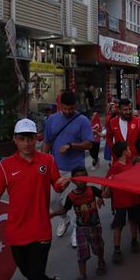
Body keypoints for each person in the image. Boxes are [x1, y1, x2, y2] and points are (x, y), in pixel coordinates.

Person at [0, 118, 69, 280]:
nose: (26, 144)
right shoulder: (5, 166)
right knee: (30, 274)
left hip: (41, 230)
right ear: (15, 139)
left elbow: (56, 182)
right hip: (16, 232)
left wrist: (61, 184)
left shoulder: (47, 161)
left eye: (30, 138)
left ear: (36, 139)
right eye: (22, 138)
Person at [41, 91, 93, 247]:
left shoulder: (83, 120)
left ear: (75, 106)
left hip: (77, 169)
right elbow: (47, 142)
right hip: (57, 169)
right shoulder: (51, 120)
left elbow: (89, 143)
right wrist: (42, 162)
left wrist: (72, 146)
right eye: (65, 108)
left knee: (79, 201)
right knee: (52, 200)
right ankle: (65, 219)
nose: (68, 111)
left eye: (71, 108)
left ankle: (78, 230)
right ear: (60, 106)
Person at [50, 167, 106, 280]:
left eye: (84, 177)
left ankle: (101, 262)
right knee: (81, 253)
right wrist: (52, 214)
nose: (81, 181)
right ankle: (82, 276)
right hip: (81, 229)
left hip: (95, 226)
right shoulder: (71, 196)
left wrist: (108, 185)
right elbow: (65, 209)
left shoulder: (92, 190)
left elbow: (105, 195)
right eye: (78, 178)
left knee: (98, 247)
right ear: (74, 181)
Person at [103, 141, 140, 264]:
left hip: (132, 197)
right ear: (124, 152)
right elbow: (106, 181)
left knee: (133, 220)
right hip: (120, 201)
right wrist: (101, 196)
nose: (130, 151)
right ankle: (117, 249)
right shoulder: (115, 167)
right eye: (128, 149)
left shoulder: (130, 163)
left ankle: (134, 241)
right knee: (118, 225)